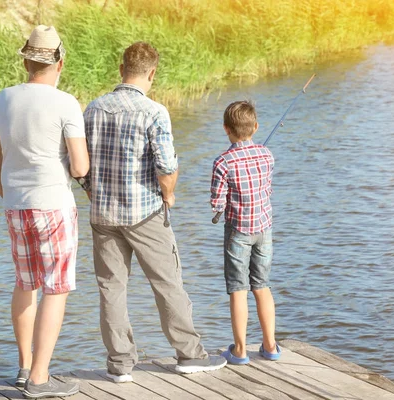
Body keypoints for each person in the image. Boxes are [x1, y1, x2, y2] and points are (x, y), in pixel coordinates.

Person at [83, 41, 227, 383]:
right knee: (167, 284)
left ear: (121, 70)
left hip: (102, 215)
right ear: (152, 73)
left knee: (111, 289)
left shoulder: (92, 108)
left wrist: (92, 191)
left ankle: (119, 365)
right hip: (145, 214)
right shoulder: (154, 112)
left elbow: (80, 166)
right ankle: (190, 355)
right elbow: (166, 166)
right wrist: (170, 193)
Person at [0, 25, 88, 398]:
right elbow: (79, 166)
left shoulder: (5, 98)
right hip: (54, 207)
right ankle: (40, 379)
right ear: (60, 61)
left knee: (25, 283)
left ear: (27, 60)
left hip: (17, 207)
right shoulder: (67, 103)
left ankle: (24, 368)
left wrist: (6, 192)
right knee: (55, 289)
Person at [210, 100, 280, 365]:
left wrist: (221, 205)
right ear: (256, 127)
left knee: (238, 288)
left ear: (226, 129)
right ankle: (270, 345)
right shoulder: (267, 154)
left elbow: (217, 202)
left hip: (238, 231)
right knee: (261, 286)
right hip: (264, 229)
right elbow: (267, 190)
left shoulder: (223, 162)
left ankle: (240, 350)